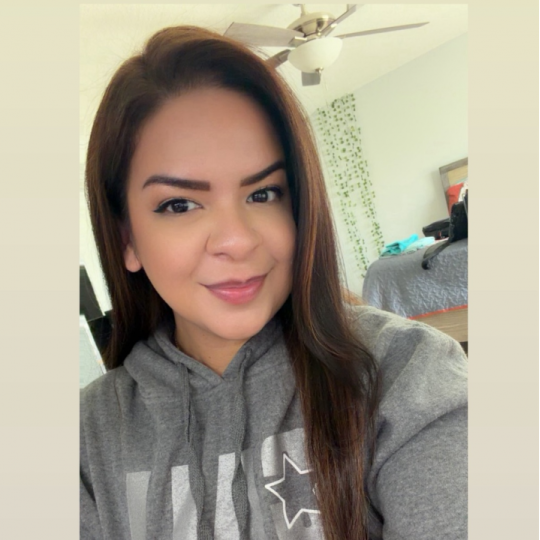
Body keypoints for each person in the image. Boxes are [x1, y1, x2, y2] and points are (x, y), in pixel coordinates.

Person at [81, 25, 467, 540]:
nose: (237, 241)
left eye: (263, 193)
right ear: (126, 238)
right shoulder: (85, 441)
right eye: (179, 204)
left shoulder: (410, 376)